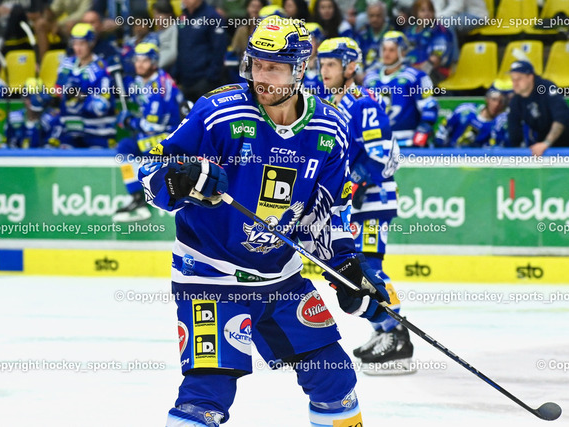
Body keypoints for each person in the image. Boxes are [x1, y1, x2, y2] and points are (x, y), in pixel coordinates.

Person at [139, 16, 391, 427]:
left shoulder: (330, 128)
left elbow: (328, 213)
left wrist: (346, 266)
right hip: (210, 274)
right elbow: (151, 175)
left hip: (281, 277)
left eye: (273, 67)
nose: (261, 76)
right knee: (208, 393)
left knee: (335, 378)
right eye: (256, 64)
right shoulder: (217, 112)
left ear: (299, 69)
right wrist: (177, 179)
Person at [318, 36, 412, 374]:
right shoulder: (330, 104)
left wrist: (355, 181)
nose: (324, 71)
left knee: (370, 268)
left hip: (373, 198)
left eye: (331, 64)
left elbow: (382, 155)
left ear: (351, 67)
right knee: (357, 270)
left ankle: (398, 335)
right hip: (353, 201)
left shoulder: (363, 103)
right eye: (322, 64)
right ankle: (382, 329)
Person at [113, 43, 184, 222]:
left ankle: (161, 199)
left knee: (140, 152)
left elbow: (152, 125)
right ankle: (137, 197)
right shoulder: (141, 80)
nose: (139, 64)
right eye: (137, 60)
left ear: (154, 62)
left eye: (144, 61)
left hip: (169, 137)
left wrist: (129, 121)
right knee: (125, 147)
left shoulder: (160, 87)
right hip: (152, 136)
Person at [364, 31, 439, 147]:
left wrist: (423, 130)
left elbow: (429, 107)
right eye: (384, 49)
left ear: (402, 52)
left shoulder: (415, 77)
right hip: (377, 142)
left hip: (407, 140)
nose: (386, 54)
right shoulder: (370, 78)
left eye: (391, 50)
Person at [54, 23, 116, 148]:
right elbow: (57, 93)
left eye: (82, 44)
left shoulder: (100, 69)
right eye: (75, 44)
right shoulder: (66, 65)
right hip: (70, 130)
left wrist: (81, 97)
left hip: (97, 132)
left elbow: (102, 106)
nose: (77, 48)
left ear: (91, 43)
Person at [508, 60, 569, 156]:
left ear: (530, 77)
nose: (515, 83)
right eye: (513, 79)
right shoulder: (516, 100)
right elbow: (514, 129)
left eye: (519, 79)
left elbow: (561, 118)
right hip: (546, 145)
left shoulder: (546, 87)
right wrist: (516, 152)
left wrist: (546, 143)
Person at [174, 0, 228, 102]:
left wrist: (211, 77)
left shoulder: (212, 17)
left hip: (205, 81)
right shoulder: (182, 17)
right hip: (185, 81)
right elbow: (181, 47)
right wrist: (176, 74)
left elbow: (219, 49)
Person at [435, 81, 512, 147]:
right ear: (487, 98)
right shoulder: (465, 110)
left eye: (502, 101)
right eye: (494, 99)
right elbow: (442, 132)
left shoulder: (501, 125)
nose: (497, 104)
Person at [404, 0, 455, 84]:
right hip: (412, 71)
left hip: (435, 72)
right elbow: (402, 53)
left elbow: (435, 59)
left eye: (430, 10)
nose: (427, 13)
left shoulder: (438, 30)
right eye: (422, 10)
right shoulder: (409, 31)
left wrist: (416, 71)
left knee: (410, 82)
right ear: (415, 13)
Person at [357, 0, 391, 71]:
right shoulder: (362, 33)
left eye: (378, 15)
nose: (375, 19)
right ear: (367, 16)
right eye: (371, 16)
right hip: (362, 73)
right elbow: (356, 55)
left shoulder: (391, 33)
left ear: (384, 16)